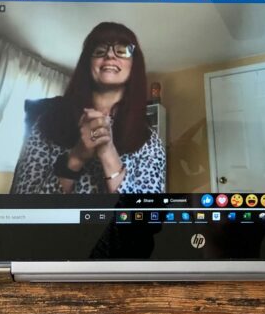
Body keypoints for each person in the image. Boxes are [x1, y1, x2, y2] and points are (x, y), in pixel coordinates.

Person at [10, 22, 166, 194]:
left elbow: (146, 217)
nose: (110, 56)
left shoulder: (149, 141)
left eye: (122, 51)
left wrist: (108, 153)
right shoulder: (47, 123)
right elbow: (25, 207)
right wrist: (76, 157)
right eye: (99, 51)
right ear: (88, 63)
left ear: (134, 65)